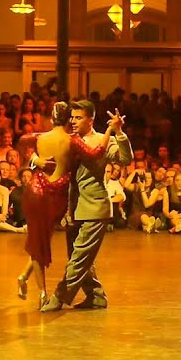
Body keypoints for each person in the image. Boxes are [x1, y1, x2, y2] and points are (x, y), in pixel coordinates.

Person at [41, 101, 131, 312]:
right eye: (72, 117)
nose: (73, 121)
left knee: (80, 257)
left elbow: (126, 158)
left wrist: (119, 132)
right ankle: (96, 296)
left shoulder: (102, 140)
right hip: (74, 207)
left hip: (95, 207)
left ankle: (59, 297)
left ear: (90, 120)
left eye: (78, 117)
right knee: (80, 257)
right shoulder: (68, 139)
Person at [13, 102, 104, 308]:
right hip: (56, 196)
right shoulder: (71, 140)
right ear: (68, 119)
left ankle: (26, 278)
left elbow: (22, 143)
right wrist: (110, 131)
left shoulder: (38, 137)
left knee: (39, 241)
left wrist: (35, 160)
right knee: (42, 241)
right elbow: (95, 152)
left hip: (37, 190)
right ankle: (43, 294)